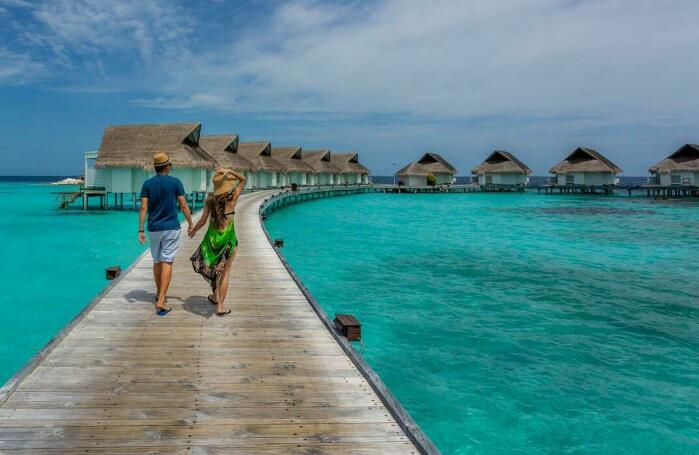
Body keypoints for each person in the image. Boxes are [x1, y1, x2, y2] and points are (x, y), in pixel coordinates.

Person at [138, 152, 194, 316]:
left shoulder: (147, 184)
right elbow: (183, 205)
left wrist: (140, 230)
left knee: (157, 261)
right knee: (167, 261)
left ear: (156, 167)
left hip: (154, 228)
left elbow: (143, 208)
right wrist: (190, 224)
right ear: (167, 166)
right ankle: (161, 300)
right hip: (171, 227)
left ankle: (158, 293)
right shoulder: (175, 182)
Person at [188, 168, 246, 316]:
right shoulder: (232, 198)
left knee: (211, 270)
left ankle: (215, 296)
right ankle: (220, 306)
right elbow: (243, 179)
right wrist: (230, 171)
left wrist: (193, 230)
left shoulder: (210, 201)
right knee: (225, 273)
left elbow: (203, 221)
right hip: (228, 242)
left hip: (211, 242)